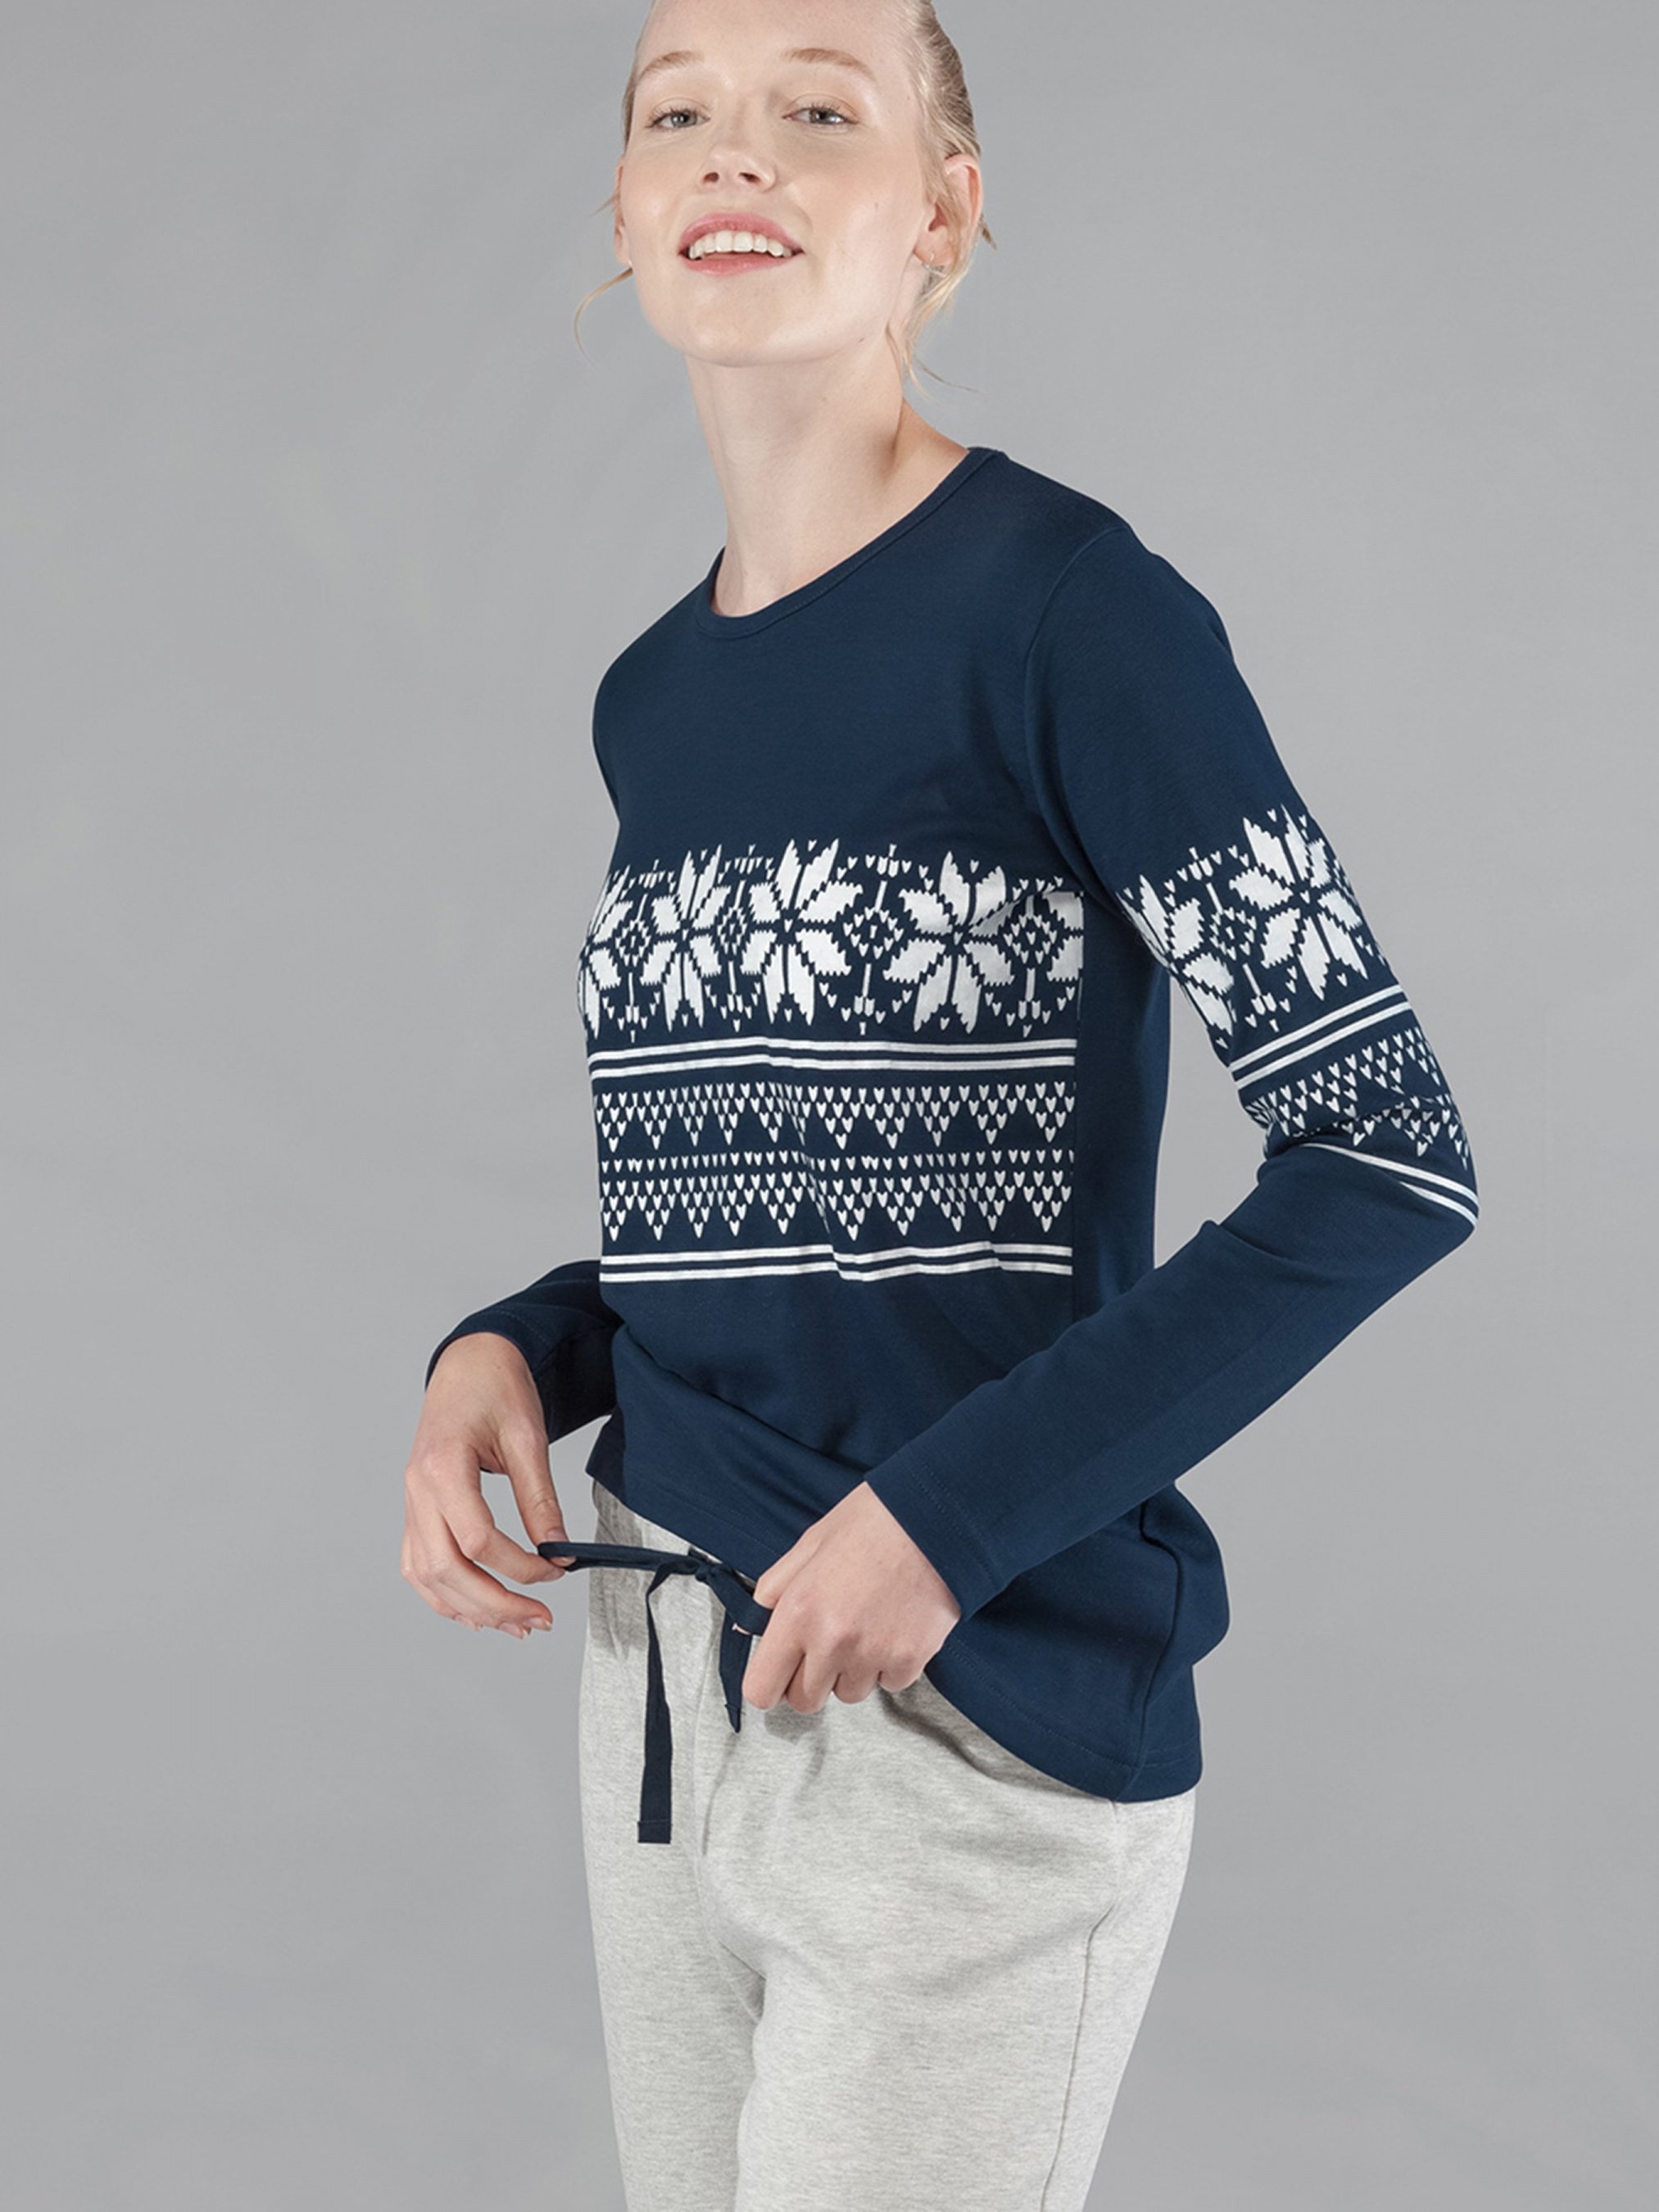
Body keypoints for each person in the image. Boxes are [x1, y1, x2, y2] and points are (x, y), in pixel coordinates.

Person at [400, 3, 1480, 2207]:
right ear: (626, 210)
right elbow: (767, 1193)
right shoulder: (651, 696)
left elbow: (1384, 1153)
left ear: (942, 216)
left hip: (966, 1707)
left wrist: (947, 1523)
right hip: (663, 1677)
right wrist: (512, 1345)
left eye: (821, 108)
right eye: (681, 114)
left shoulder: (1075, 616)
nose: (740, 152)